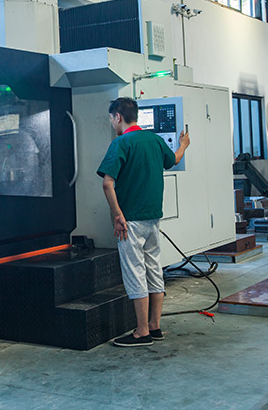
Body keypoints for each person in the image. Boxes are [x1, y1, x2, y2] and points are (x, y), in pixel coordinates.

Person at [97, 97, 190, 347]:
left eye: (111, 119)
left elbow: (107, 183)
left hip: (131, 221)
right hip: (153, 218)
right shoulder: (154, 140)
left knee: (135, 273)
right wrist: (183, 144)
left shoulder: (121, 143)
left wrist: (118, 215)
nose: (112, 123)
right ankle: (155, 326)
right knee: (154, 269)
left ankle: (141, 332)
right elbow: (175, 159)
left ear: (118, 117)